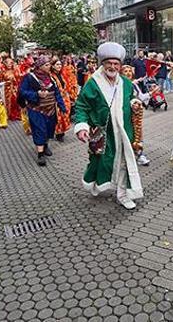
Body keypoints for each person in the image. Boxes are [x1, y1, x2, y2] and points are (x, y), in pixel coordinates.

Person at [74, 42, 144, 210]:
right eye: (109, 63)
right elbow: (82, 106)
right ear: (103, 64)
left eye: (116, 64)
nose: (112, 67)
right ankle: (97, 182)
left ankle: (122, 195)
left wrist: (134, 103)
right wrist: (82, 126)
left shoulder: (126, 83)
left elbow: (132, 98)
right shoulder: (93, 84)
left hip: (124, 131)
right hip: (102, 133)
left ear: (120, 65)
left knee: (123, 163)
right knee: (101, 162)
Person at [19, 56, 66, 166]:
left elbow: (57, 92)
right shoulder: (29, 77)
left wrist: (62, 106)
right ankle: (40, 154)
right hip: (36, 109)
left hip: (50, 109)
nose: (49, 66)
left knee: (49, 129)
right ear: (40, 66)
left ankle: (45, 146)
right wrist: (36, 94)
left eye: (49, 64)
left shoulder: (51, 78)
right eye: (47, 65)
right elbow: (22, 91)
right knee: (39, 129)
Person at [121, 65, 152, 166]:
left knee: (137, 134)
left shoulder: (133, 85)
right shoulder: (119, 84)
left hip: (134, 115)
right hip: (123, 115)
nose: (128, 73)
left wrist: (151, 93)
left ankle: (139, 154)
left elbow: (141, 97)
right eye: (125, 71)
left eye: (130, 71)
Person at [49, 57, 72, 142]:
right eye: (57, 64)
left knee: (65, 115)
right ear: (53, 66)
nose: (59, 66)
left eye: (60, 64)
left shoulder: (61, 74)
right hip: (57, 99)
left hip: (65, 98)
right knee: (59, 116)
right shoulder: (51, 76)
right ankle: (59, 133)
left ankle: (62, 132)